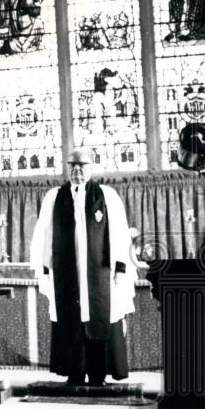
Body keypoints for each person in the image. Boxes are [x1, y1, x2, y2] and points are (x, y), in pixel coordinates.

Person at [30, 147, 136, 386]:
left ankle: (98, 374)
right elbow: (44, 234)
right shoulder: (54, 197)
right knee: (71, 319)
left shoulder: (107, 196)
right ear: (67, 168)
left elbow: (119, 233)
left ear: (91, 167)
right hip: (67, 272)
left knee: (99, 316)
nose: (77, 170)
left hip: (100, 273)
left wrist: (120, 266)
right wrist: (44, 265)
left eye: (82, 166)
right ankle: (74, 372)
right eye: (73, 166)